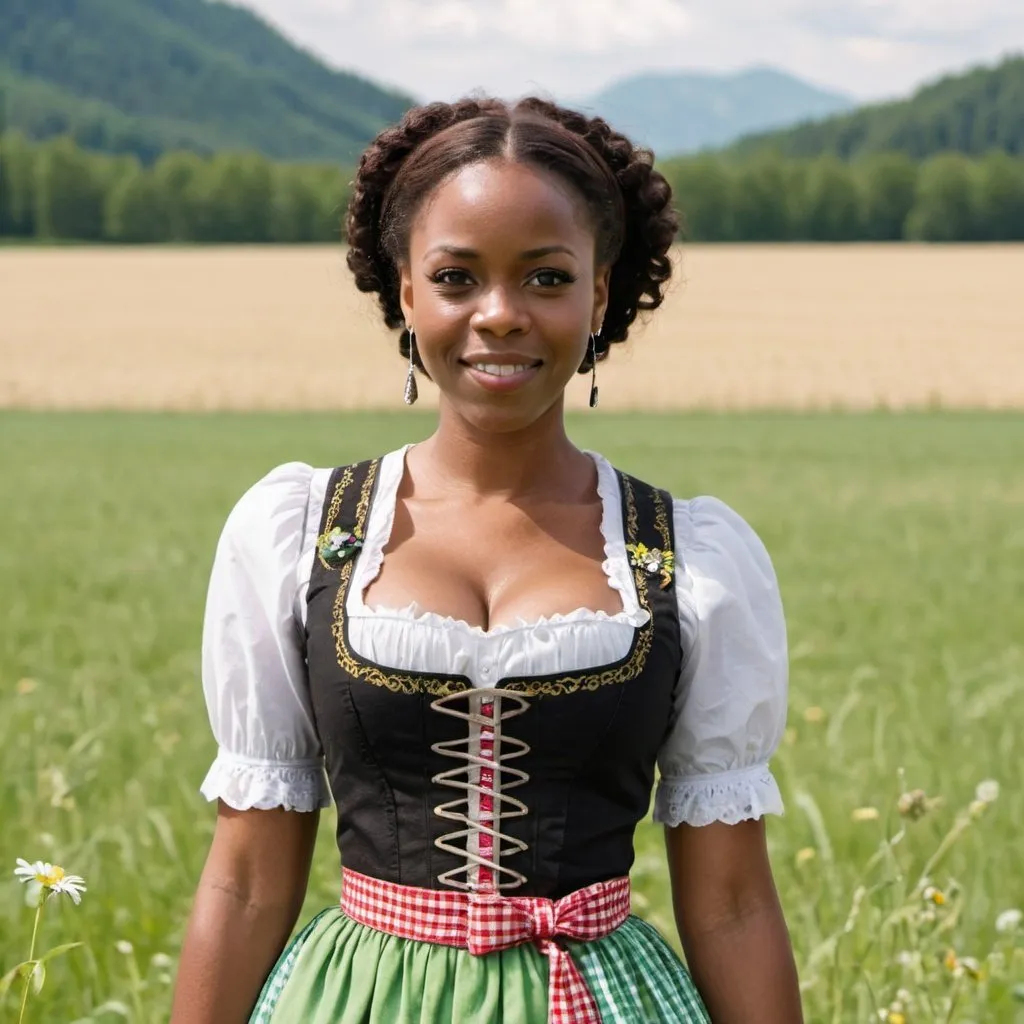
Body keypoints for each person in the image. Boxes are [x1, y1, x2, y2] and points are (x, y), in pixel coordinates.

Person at [170, 95, 802, 1023]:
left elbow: (735, 902)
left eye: (545, 279)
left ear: (600, 291)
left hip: (596, 997)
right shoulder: (301, 531)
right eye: (458, 276)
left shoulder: (688, 558)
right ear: (405, 290)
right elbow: (247, 881)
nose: (499, 315)